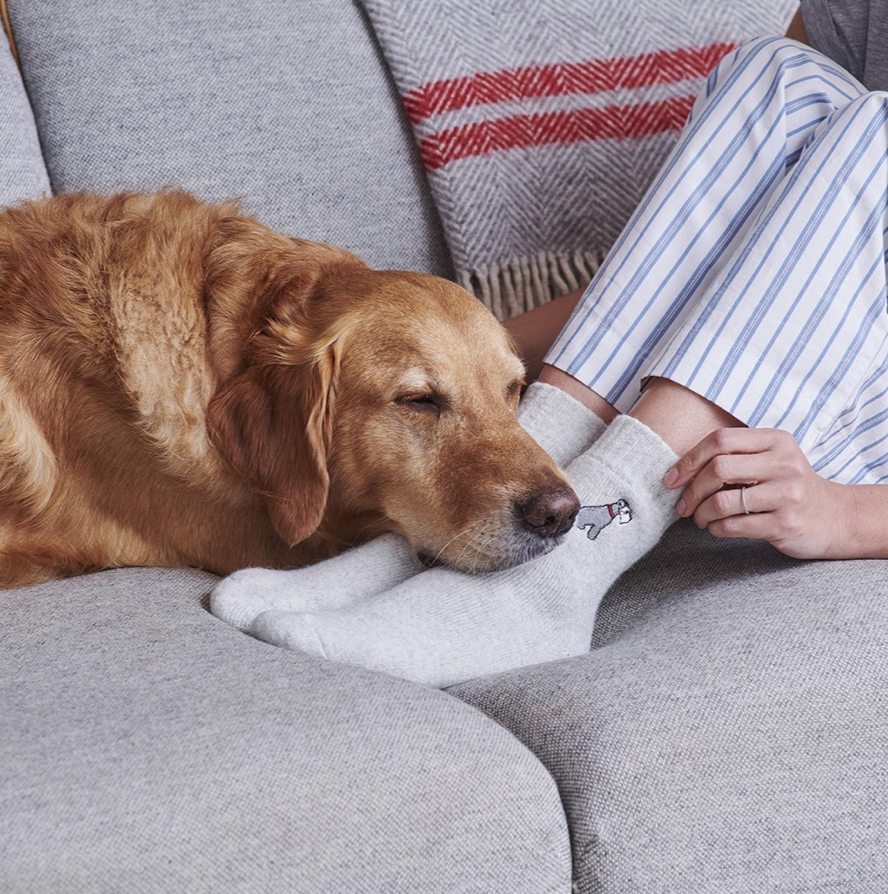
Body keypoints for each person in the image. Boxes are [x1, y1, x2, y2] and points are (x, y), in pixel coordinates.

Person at [212, 1, 888, 687]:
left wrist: (848, 515)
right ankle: (477, 520)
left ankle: (557, 580)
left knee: (882, 137)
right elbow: (776, 237)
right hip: (808, 347)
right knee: (780, 79)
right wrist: (469, 362)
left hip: (860, 447)